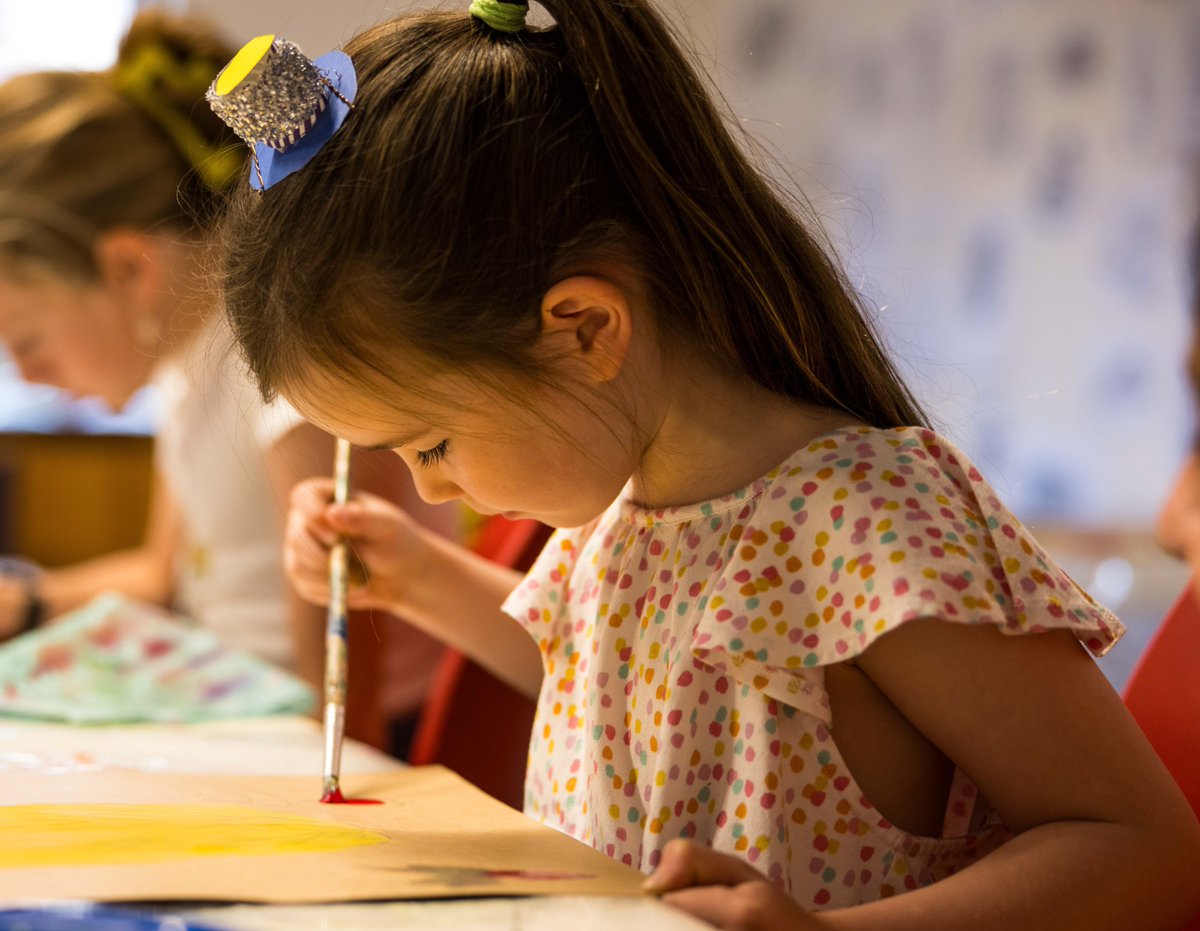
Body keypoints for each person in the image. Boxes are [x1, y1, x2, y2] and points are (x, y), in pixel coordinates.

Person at [211, 0, 1200, 925]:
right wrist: (420, 578)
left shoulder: (866, 522)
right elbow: (616, 684)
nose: (430, 485)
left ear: (586, 329)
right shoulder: (619, 510)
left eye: (429, 444)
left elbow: (1143, 848)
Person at [0, 10, 451, 707]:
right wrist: (27, 599)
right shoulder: (186, 366)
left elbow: (341, 693)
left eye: (26, 342)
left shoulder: (283, 375)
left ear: (129, 270)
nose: (25, 374)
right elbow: (165, 573)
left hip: (335, 735)